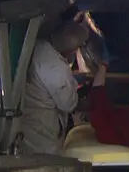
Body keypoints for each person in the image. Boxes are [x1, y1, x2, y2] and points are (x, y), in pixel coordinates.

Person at [18, 11, 96, 155]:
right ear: (72, 50)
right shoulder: (57, 69)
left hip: (27, 124)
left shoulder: (40, 47)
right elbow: (68, 104)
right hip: (42, 134)